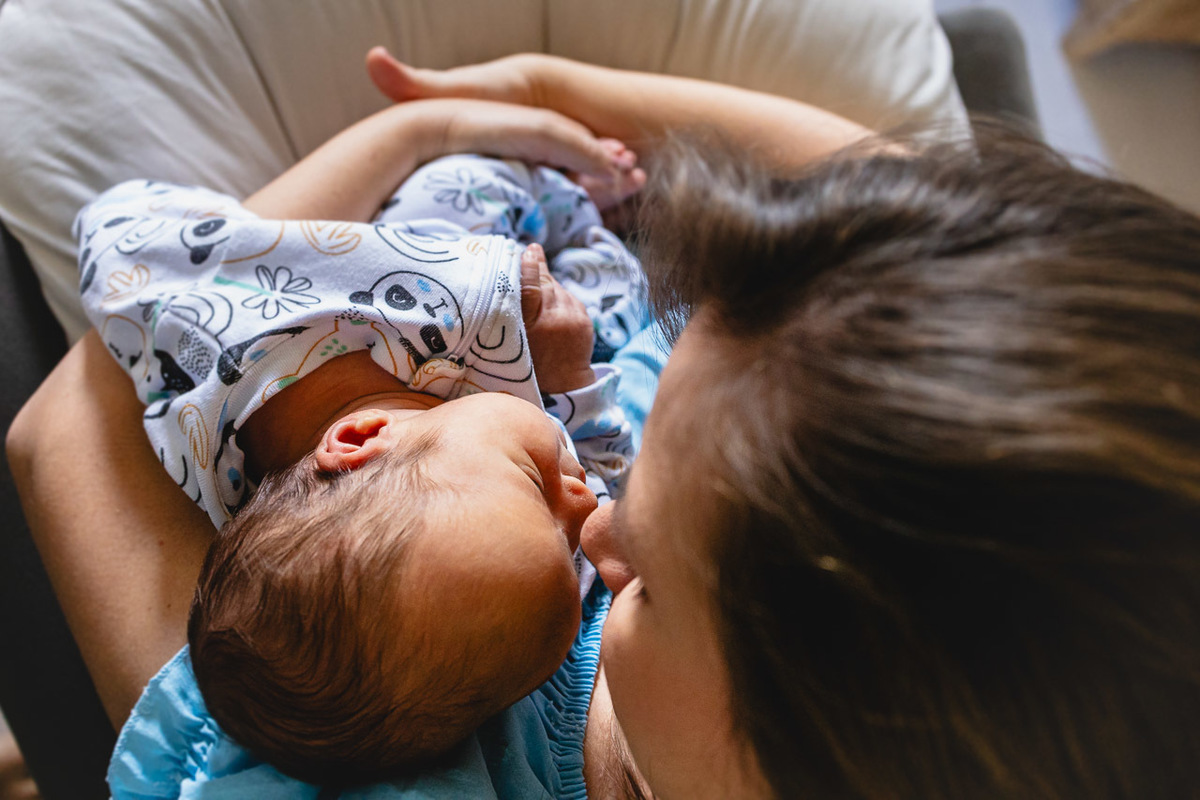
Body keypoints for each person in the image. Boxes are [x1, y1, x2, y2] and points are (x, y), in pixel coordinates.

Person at [12, 50, 1200, 799]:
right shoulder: (750, 409)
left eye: (654, 586)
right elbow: (910, 194)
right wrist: (537, 95)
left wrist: (429, 134)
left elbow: (65, 431)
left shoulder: (346, 739)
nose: (603, 524)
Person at [76, 105, 651, 782]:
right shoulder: (485, 552)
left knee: (458, 188)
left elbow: (117, 240)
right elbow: (609, 464)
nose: (586, 511)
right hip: (595, 313)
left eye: (535, 483)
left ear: (359, 438)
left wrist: (560, 179)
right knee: (615, 297)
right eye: (568, 547)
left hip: (475, 212)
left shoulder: (253, 351)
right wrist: (575, 381)